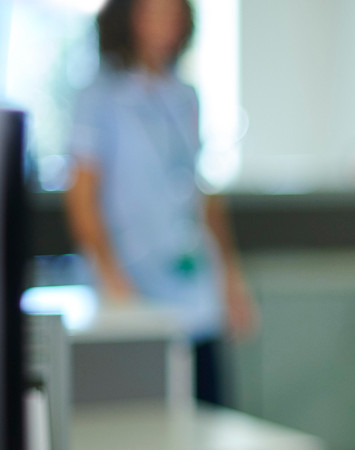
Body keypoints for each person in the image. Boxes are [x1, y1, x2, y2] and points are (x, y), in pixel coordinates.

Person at [65, 0, 256, 407]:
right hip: (132, 284)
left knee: (210, 410)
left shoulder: (184, 96)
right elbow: (81, 197)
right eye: (151, 13)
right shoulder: (100, 96)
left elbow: (200, 192)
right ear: (128, 18)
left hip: (192, 283)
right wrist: (113, 279)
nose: (163, 25)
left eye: (171, 14)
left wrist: (230, 279)